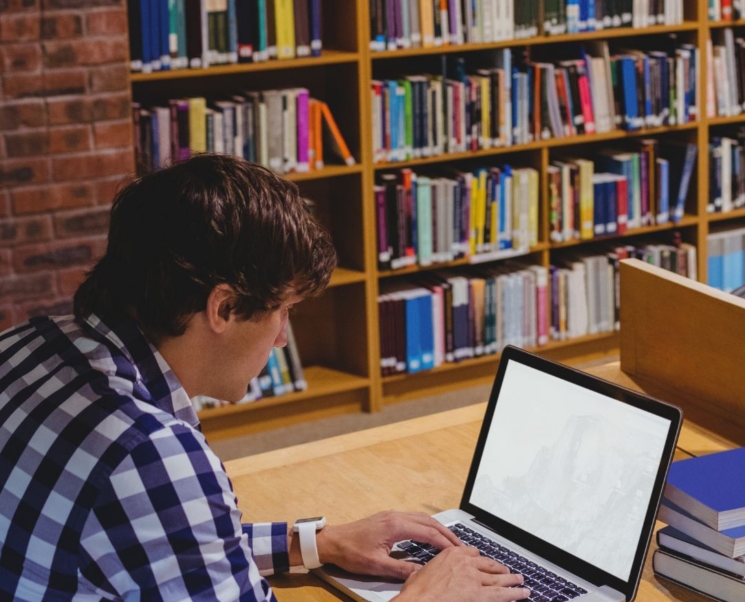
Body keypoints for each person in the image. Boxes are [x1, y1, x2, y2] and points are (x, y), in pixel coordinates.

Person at [0, 155, 530, 602]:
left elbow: (160, 544)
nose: (281, 339)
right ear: (224, 308)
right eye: (285, 310)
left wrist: (317, 542)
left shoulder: (28, 345)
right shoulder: (149, 454)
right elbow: (161, 511)